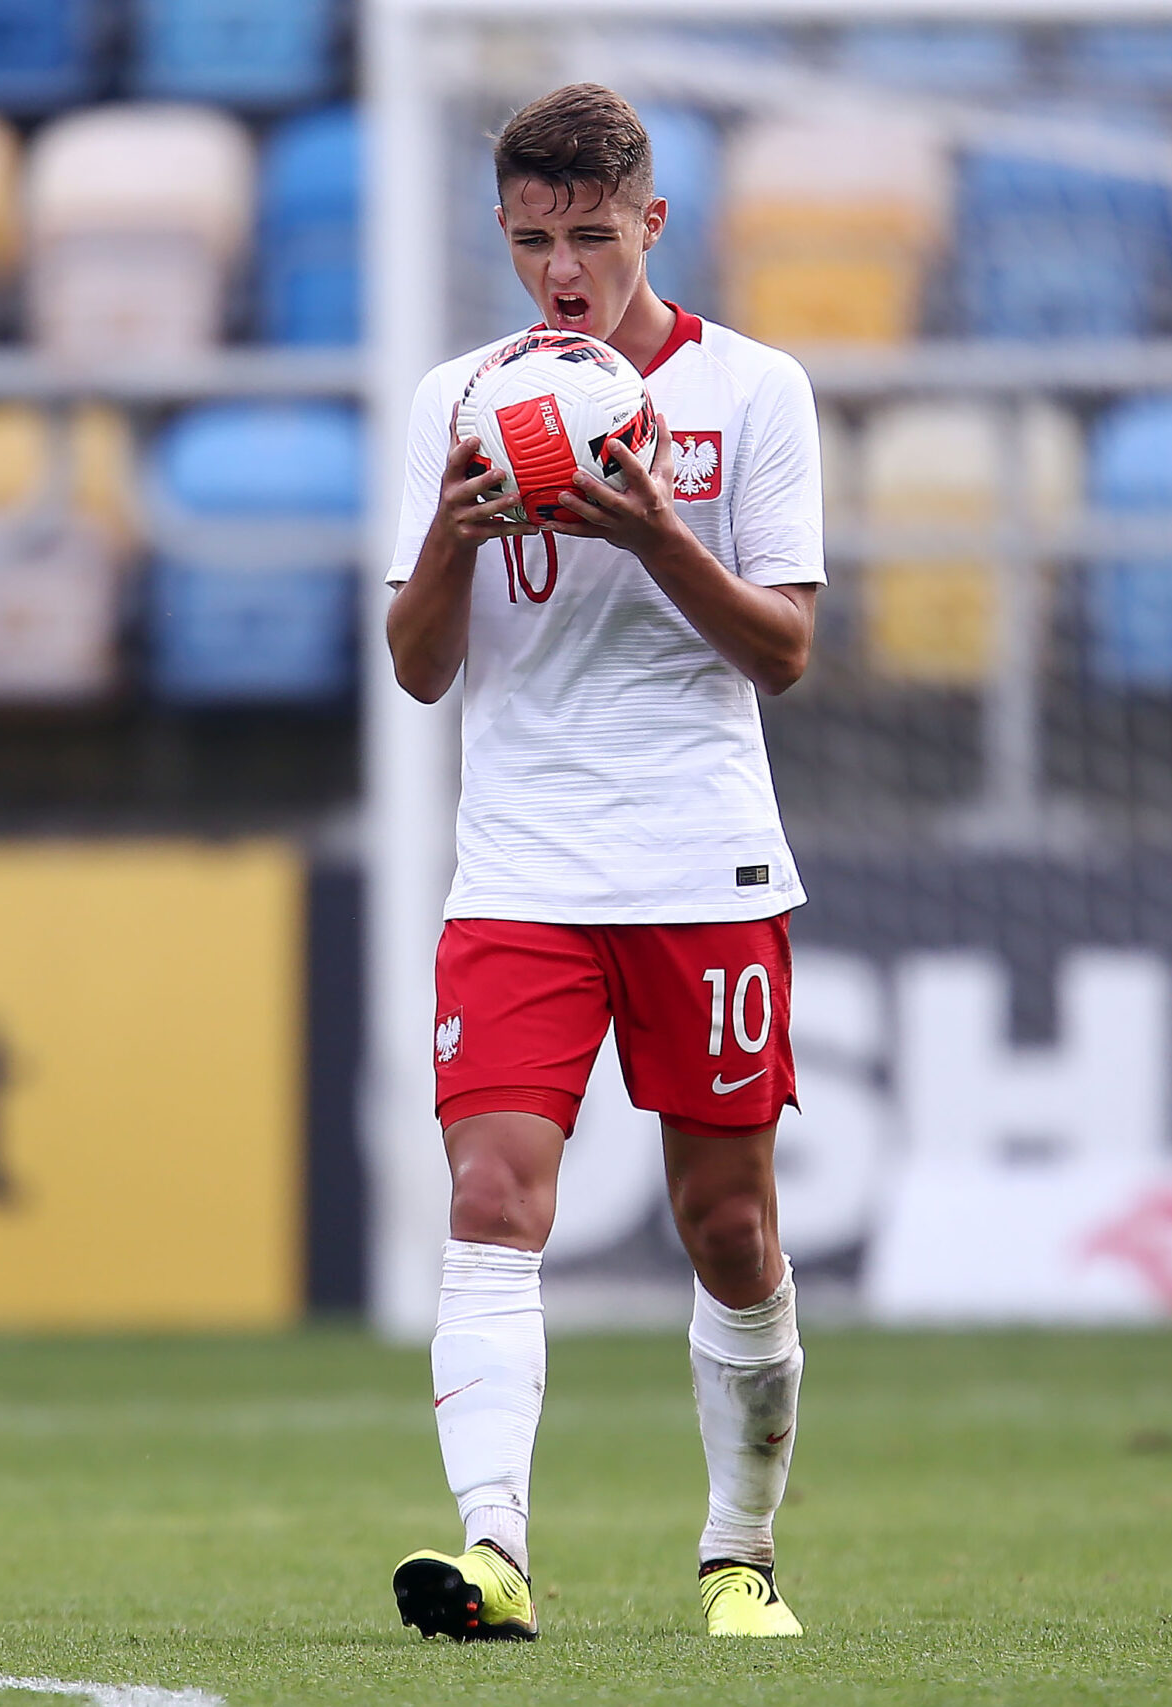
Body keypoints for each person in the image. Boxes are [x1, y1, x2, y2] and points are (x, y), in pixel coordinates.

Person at [382, 82, 823, 1643]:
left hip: (702, 868)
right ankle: (492, 1551)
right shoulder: (459, 400)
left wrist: (655, 538)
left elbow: (784, 651)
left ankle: (738, 1555)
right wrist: (446, 537)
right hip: (517, 874)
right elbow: (420, 669)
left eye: (588, 235)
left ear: (652, 223)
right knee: (495, 1192)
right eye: (529, 240)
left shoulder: (754, 393)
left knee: (730, 1229)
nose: (562, 270)